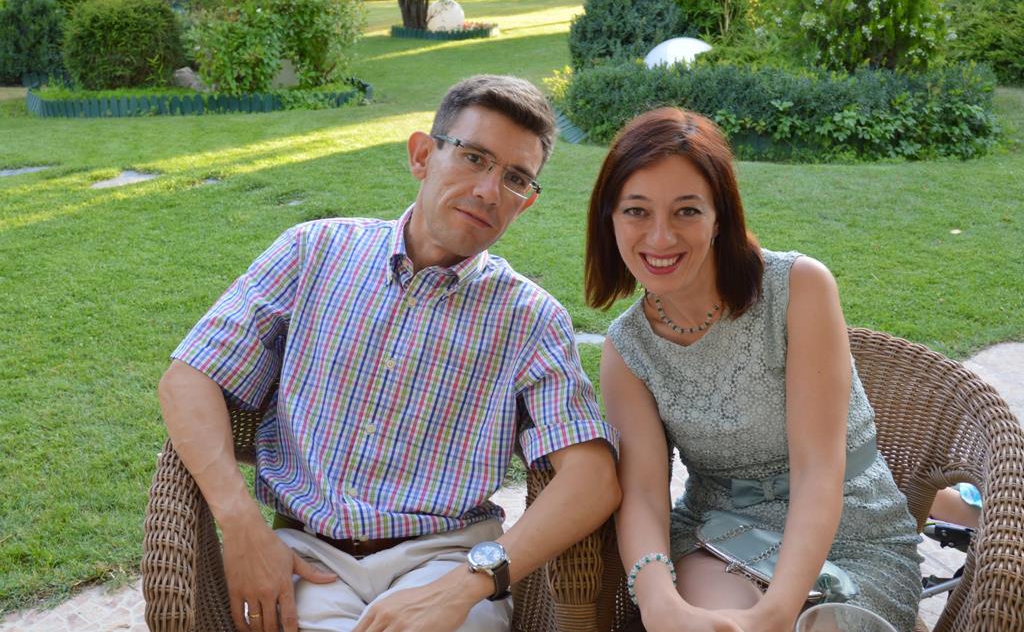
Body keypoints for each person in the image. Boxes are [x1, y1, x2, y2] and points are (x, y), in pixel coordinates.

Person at [158, 74, 620, 632]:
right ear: (422, 155)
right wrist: (241, 523)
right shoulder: (314, 252)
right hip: (310, 557)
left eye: (515, 178)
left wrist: (465, 586)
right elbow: (190, 378)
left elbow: (592, 478)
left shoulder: (530, 318)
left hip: (447, 560)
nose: (489, 191)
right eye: (474, 157)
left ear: (526, 202)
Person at [584, 108, 921, 632]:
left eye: (687, 211)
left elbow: (818, 470)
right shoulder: (627, 348)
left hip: (853, 531)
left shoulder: (798, 288)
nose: (660, 237)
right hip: (721, 536)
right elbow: (645, 495)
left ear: (720, 216)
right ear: (610, 219)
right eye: (636, 211)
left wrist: (777, 613)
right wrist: (656, 599)